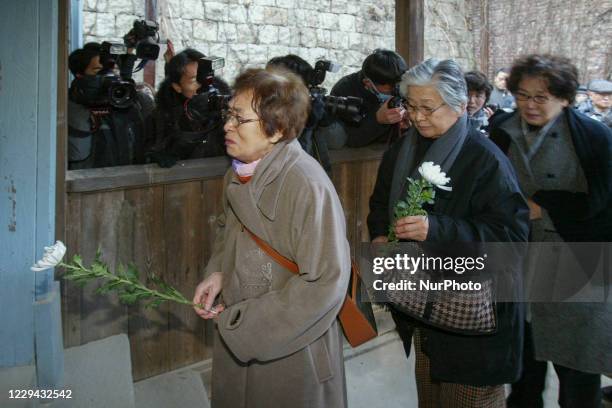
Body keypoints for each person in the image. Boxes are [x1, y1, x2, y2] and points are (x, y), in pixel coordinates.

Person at [368, 58, 529, 407]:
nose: (418, 116)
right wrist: (380, 236)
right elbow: (381, 204)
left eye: (428, 107)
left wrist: (436, 229)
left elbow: (512, 240)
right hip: (426, 311)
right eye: (411, 105)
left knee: (468, 400)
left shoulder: (485, 159)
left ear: (459, 105)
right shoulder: (404, 149)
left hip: (474, 319)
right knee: (432, 398)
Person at [192, 68, 350, 408]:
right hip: (239, 322)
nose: (226, 126)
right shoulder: (235, 173)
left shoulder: (306, 184)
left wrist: (248, 325)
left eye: (239, 119)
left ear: (276, 130)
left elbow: (326, 282)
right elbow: (231, 231)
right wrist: (218, 271)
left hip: (290, 340)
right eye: (228, 114)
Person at [489, 54, 612, 408]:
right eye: (522, 95)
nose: (529, 105)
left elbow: (605, 208)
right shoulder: (502, 129)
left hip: (576, 266)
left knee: (578, 373)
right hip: (519, 264)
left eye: (541, 97)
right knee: (523, 370)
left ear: (566, 98)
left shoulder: (594, 137)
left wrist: (546, 206)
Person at [145, 48, 229, 168]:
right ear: (177, 87)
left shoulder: (225, 107)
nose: (202, 87)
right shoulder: (161, 118)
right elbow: (148, 154)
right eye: (194, 81)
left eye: (204, 78)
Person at [67, 42, 146, 169]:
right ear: (80, 75)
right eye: (98, 71)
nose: (110, 77)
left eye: (113, 71)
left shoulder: (129, 101)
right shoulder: (70, 106)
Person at [330, 49, 407, 147]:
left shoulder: (399, 85)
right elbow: (347, 139)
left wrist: (407, 125)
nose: (395, 92)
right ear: (368, 83)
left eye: (398, 86)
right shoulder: (344, 91)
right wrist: (377, 120)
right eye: (390, 89)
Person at [464, 70, 494, 135]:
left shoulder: (487, 121)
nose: (471, 101)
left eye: (478, 96)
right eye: (467, 95)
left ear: (485, 98)